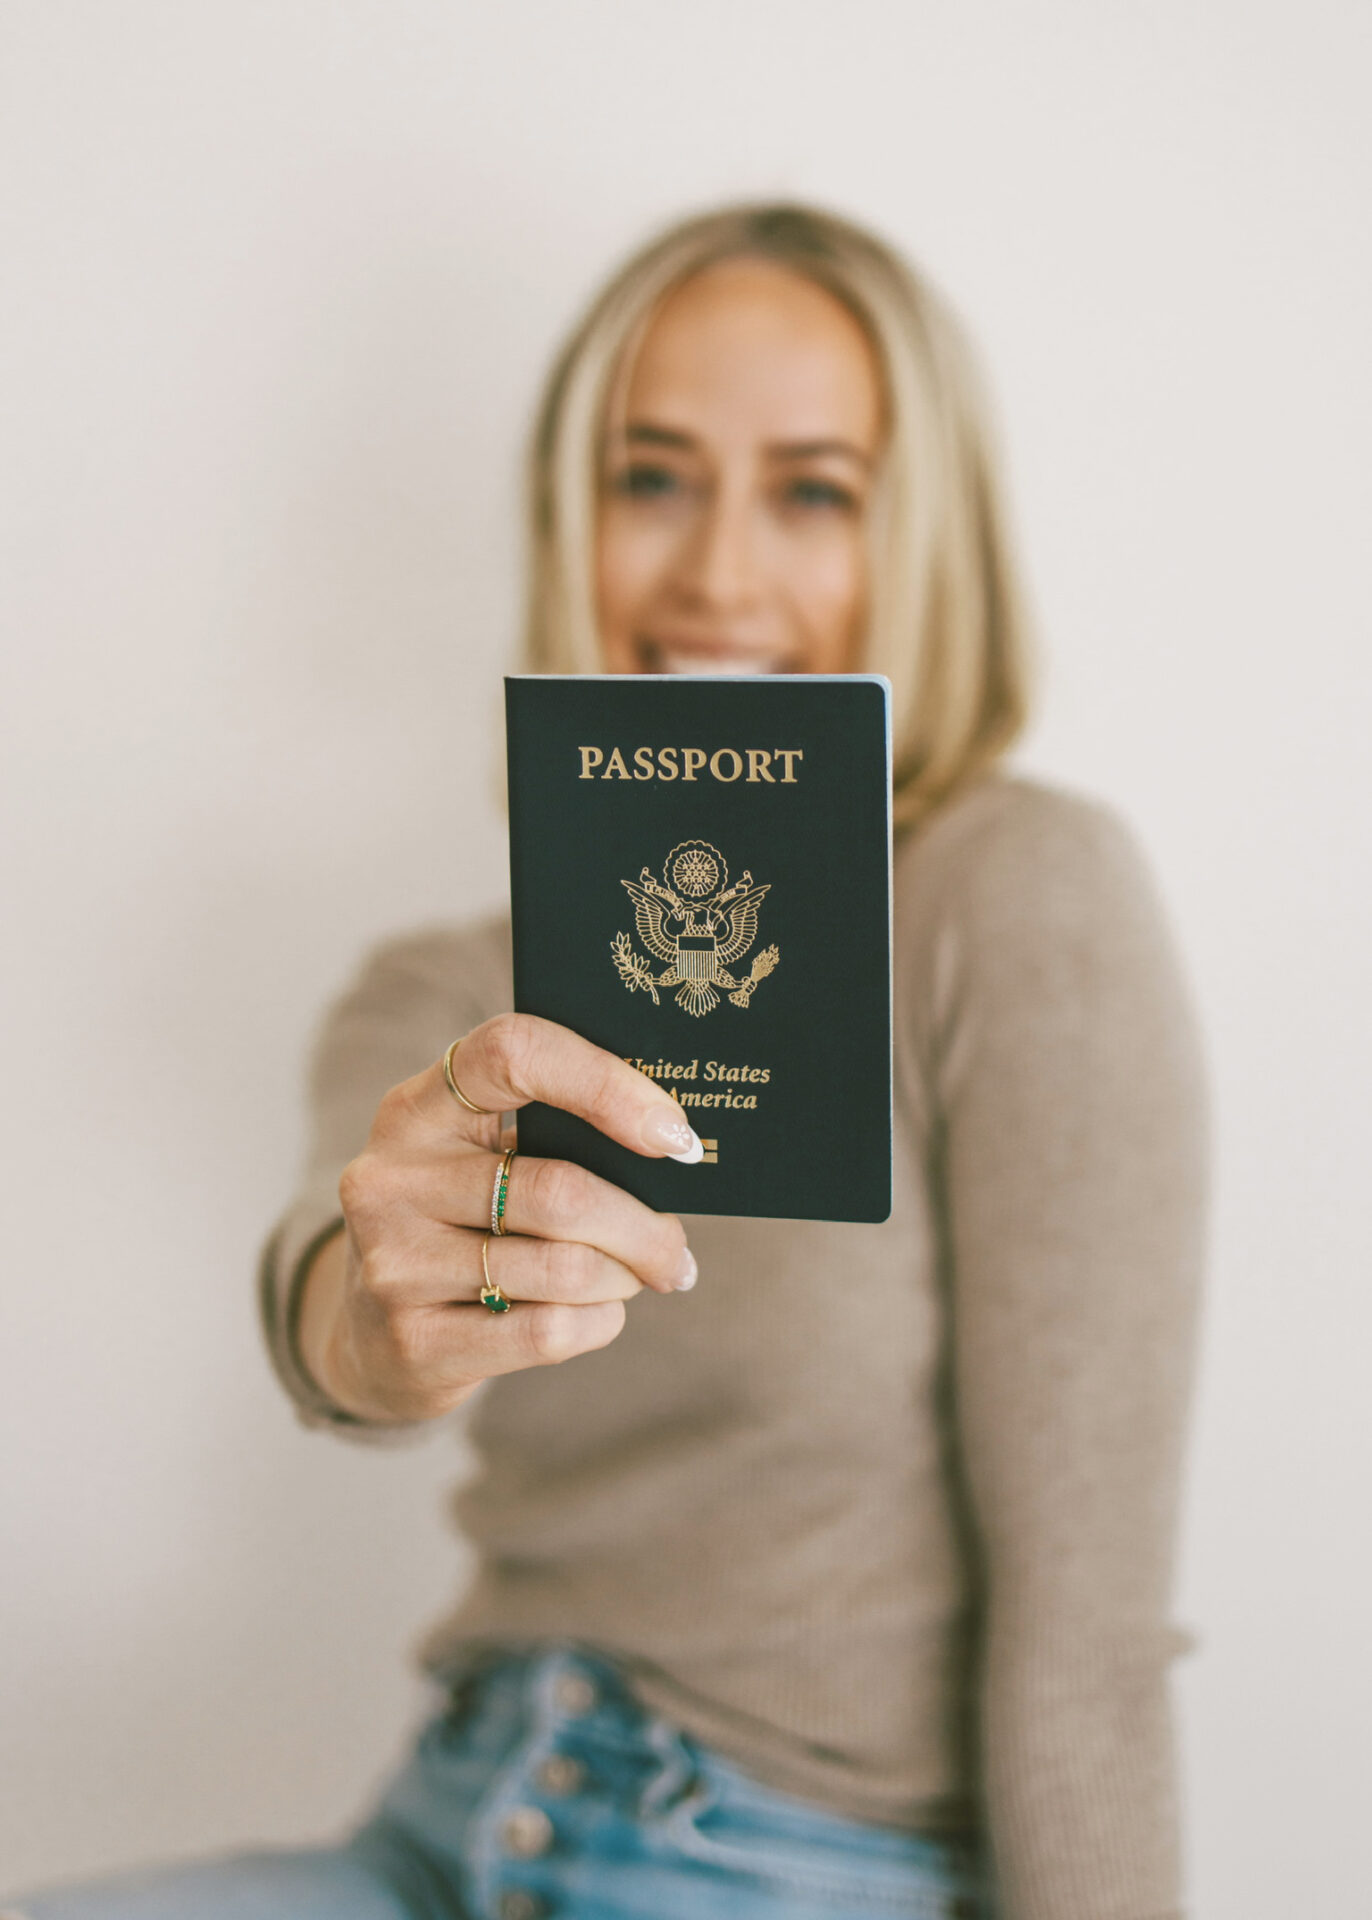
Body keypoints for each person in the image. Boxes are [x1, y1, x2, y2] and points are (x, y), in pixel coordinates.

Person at [5, 203, 1209, 1920]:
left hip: (789, 1863)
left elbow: (1085, 1642)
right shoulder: (439, 990)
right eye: (652, 477)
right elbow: (327, 1279)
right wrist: (370, 1323)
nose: (719, 569)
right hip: (441, 1831)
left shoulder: (1011, 897)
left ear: (922, 538)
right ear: (569, 517)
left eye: (814, 490)